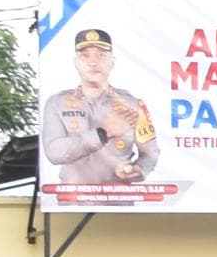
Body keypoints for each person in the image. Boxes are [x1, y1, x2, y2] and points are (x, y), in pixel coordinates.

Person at [41, 23, 161, 186]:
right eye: (85, 55)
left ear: (112, 62)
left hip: (119, 201)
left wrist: (137, 170)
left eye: (101, 55)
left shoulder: (132, 104)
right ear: (76, 62)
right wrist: (104, 132)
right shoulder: (57, 103)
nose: (93, 62)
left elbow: (150, 153)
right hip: (72, 201)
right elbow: (54, 153)